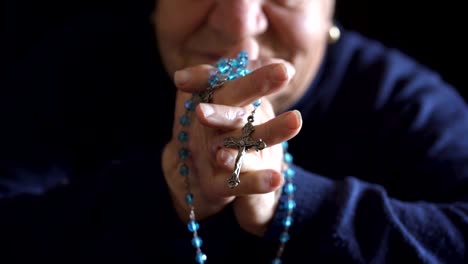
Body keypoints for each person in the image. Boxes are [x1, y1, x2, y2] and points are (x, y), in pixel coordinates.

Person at [2, 0, 467, 263]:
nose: (239, 27)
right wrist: (162, 190)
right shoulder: (75, 72)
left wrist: (293, 202)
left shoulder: (404, 101)